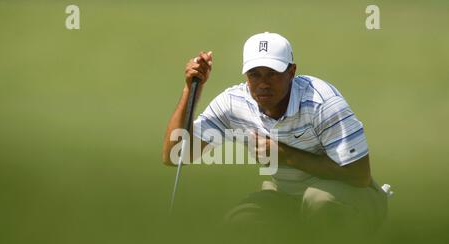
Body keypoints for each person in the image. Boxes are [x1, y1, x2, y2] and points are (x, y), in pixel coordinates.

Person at [162, 32, 388, 233]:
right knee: (241, 223)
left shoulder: (321, 102)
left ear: (292, 71)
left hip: (356, 198)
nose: (263, 84)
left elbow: (359, 175)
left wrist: (284, 154)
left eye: (272, 73)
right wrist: (191, 89)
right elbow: (176, 154)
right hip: (287, 195)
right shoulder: (234, 103)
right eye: (254, 74)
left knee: (319, 201)